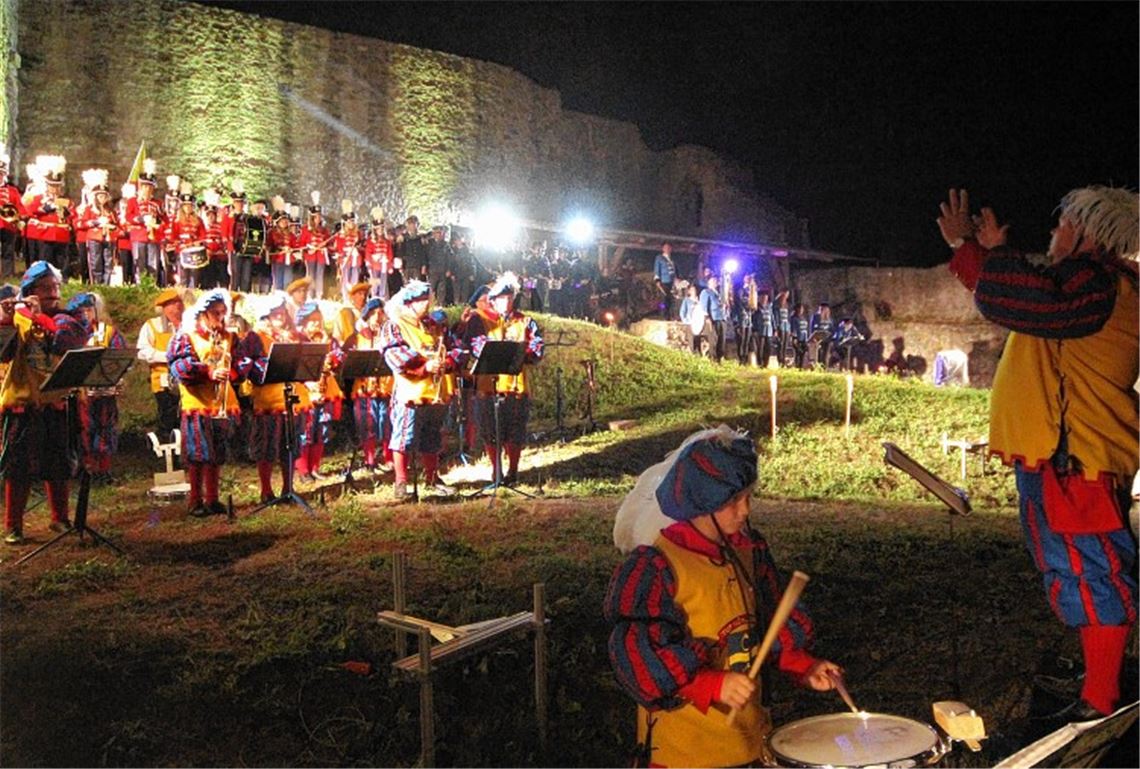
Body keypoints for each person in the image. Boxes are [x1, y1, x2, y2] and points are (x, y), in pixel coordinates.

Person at [938, 186, 1138, 721]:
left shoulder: (1098, 282)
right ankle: (1100, 685)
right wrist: (974, 252)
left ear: (1088, 232)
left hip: (1074, 461)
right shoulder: (1087, 285)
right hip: (1058, 458)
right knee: (1075, 569)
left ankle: (1101, 700)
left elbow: (1034, 300)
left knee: (1092, 572)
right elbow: (1025, 299)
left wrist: (986, 253)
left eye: (1063, 224)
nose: (1053, 234)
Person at [605, 427, 842, 767]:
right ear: (701, 501)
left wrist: (804, 665)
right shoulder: (659, 567)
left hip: (746, 745)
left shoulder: (749, 552)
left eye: (748, 497)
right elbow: (642, 659)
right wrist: (709, 684)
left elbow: (766, 629)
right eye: (733, 501)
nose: (744, 510)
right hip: (684, 754)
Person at [0, 262, 89, 544]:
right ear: (31, 291)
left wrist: (38, 316)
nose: (53, 293)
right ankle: (13, 525)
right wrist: (5, 318)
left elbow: (66, 341)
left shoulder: (68, 317)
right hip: (22, 402)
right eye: (46, 288)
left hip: (55, 402)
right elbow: (3, 353)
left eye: (55, 287)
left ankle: (59, 518)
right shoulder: (17, 318)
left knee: (57, 463)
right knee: (18, 467)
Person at [380, 280, 463, 500]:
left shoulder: (432, 324)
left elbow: (454, 348)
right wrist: (425, 366)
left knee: (432, 438)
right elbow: (394, 353)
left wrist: (448, 363)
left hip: (436, 392)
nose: (426, 304)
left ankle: (433, 478)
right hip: (410, 392)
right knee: (403, 438)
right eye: (420, 301)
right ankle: (401, 482)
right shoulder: (394, 325)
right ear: (408, 303)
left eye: (427, 299)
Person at [167, 289, 244, 516]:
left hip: (222, 403)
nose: (219, 318)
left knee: (216, 452)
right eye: (214, 313)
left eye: (222, 313)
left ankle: (212, 498)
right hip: (197, 403)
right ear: (203, 313)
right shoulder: (186, 337)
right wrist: (209, 372)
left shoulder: (229, 337)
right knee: (197, 453)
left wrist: (233, 372)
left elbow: (240, 363)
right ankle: (195, 500)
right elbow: (180, 367)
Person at [465, 272, 544, 486]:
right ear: (493, 300)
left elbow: (537, 348)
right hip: (488, 385)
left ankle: (513, 471)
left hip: (516, 387)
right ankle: (496, 471)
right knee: (490, 430)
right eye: (501, 298)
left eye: (510, 297)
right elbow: (474, 344)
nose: (506, 301)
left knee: (515, 431)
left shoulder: (526, 321)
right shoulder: (479, 320)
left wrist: (524, 353)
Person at [238, 291, 310, 504]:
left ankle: (289, 488)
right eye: (275, 313)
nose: (280, 316)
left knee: (290, 444)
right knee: (267, 447)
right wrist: (264, 370)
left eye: (282, 312)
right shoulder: (255, 337)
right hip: (268, 401)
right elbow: (247, 364)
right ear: (266, 316)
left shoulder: (293, 335)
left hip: (291, 399)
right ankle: (266, 491)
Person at [293, 301, 343, 483]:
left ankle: (315, 467)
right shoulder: (298, 340)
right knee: (305, 431)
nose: (316, 324)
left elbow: (340, 356)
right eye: (312, 321)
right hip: (306, 391)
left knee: (321, 429)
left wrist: (333, 359)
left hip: (325, 389)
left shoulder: (328, 340)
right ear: (303, 323)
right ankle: (303, 469)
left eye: (318, 320)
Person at [349, 297, 394, 476]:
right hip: (364, 388)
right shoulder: (357, 337)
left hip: (385, 387)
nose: (377, 317)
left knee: (388, 423)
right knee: (367, 425)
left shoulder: (389, 335)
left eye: (380, 313)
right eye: (373, 314)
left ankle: (389, 458)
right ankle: (369, 460)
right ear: (366, 317)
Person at [0, 151, 28, 279]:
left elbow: (20, 207)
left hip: (8, 225)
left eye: (1, 174)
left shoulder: (12, 191)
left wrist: (22, 218)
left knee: (8, 251)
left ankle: (7, 274)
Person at [697, 275, 726, 363]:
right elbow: (704, 307)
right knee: (714, 339)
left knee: (722, 339)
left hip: (722, 318)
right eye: (713, 280)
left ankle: (719, 358)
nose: (715, 282)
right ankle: (713, 358)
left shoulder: (719, 293)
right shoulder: (706, 292)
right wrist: (707, 318)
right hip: (713, 318)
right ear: (709, 282)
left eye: (716, 280)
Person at [654, 243, 677, 319]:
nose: (667, 249)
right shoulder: (659, 258)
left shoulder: (672, 259)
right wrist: (657, 280)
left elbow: (674, 270)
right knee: (663, 299)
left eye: (669, 247)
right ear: (663, 249)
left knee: (670, 299)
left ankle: (670, 315)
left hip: (671, 282)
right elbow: (657, 269)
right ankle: (662, 314)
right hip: (664, 281)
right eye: (665, 247)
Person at [809, 302, 833, 369]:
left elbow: (831, 328)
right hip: (818, 338)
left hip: (826, 339)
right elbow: (812, 327)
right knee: (818, 355)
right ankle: (818, 368)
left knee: (825, 355)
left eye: (827, 310)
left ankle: (824, 368)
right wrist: (813, 337)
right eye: (824, 309)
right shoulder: (816, 317)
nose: (825, 311)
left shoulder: (829, 319)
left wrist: (831, 338)